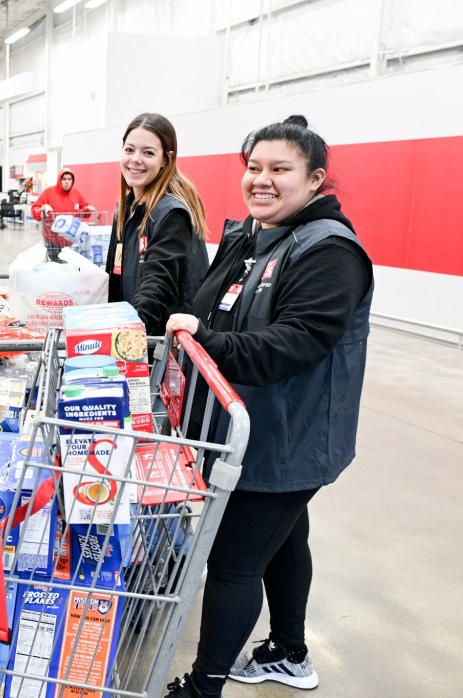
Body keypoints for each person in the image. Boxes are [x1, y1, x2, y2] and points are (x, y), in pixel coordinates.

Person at [164, 115, 373, 698]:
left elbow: (293, 345)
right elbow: (209, 305)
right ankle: (289, 652)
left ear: (316, 180)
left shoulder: (330, 253)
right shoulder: (251, 236)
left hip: (287, 439)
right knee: (286, 540)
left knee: (234, 563)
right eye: (253, 168)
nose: (262, 180)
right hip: (249, 429)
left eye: (280, 169)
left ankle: (202, 688)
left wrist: (205, 340)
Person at [104, 113, 210, 335]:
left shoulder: (172, 214)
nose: (135, 160)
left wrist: (128, 334)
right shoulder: (125, 208)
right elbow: (115, 277)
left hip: (162, 342)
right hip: (134, 335)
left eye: (148, 153)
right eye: (129, 149)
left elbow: (158, 283)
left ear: (165, 159)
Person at [29, 168, 96, 261]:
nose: (67, 182)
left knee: (71, 266)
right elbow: (35, 208)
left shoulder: (76, 193)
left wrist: (87, 210)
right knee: (57, 266)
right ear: (59, 180)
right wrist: (42, 209)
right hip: (53, 240)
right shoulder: (48, 192)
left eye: (69, 179)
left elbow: (83, 209)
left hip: (72, 241)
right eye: (64, 179)